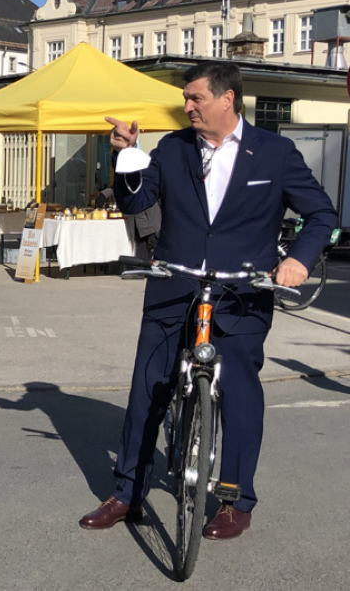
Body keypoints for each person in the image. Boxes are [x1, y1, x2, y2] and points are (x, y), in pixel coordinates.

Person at [79, 62, 335, 539]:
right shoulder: (172, 148)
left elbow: (321, 214)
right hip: (175, 282)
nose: (187, 106)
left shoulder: (275, 153)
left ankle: (235, 500)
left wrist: (298, 260)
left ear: (227, 99)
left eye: (195, 98)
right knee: (147, 389)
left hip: (244, 291)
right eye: (186, 98)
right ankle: (127, 493)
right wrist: (128, 158)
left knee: (238, 390)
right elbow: (135, 204)